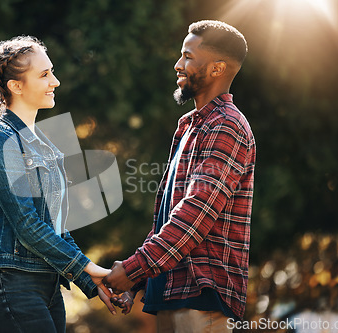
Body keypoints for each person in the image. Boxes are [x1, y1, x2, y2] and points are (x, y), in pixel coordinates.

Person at [104, 20, 256, 332]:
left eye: (187, 56)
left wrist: (132, 269)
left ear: (216, 69)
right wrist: (137, 281)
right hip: (174, 295)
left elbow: (195, 216)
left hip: (202, 299)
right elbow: (168, 221)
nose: (178, 65)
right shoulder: (191, 127)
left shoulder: (226, 126)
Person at [0, 36, 116, 333]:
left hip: (47, 286)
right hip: (11, 284)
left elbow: (54, 226)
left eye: (52, 72)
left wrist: (90, 281)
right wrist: (90, 267)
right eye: (44, 74)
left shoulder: (46, 148)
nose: (55, 81)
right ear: (15, 86)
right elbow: (28, 225)